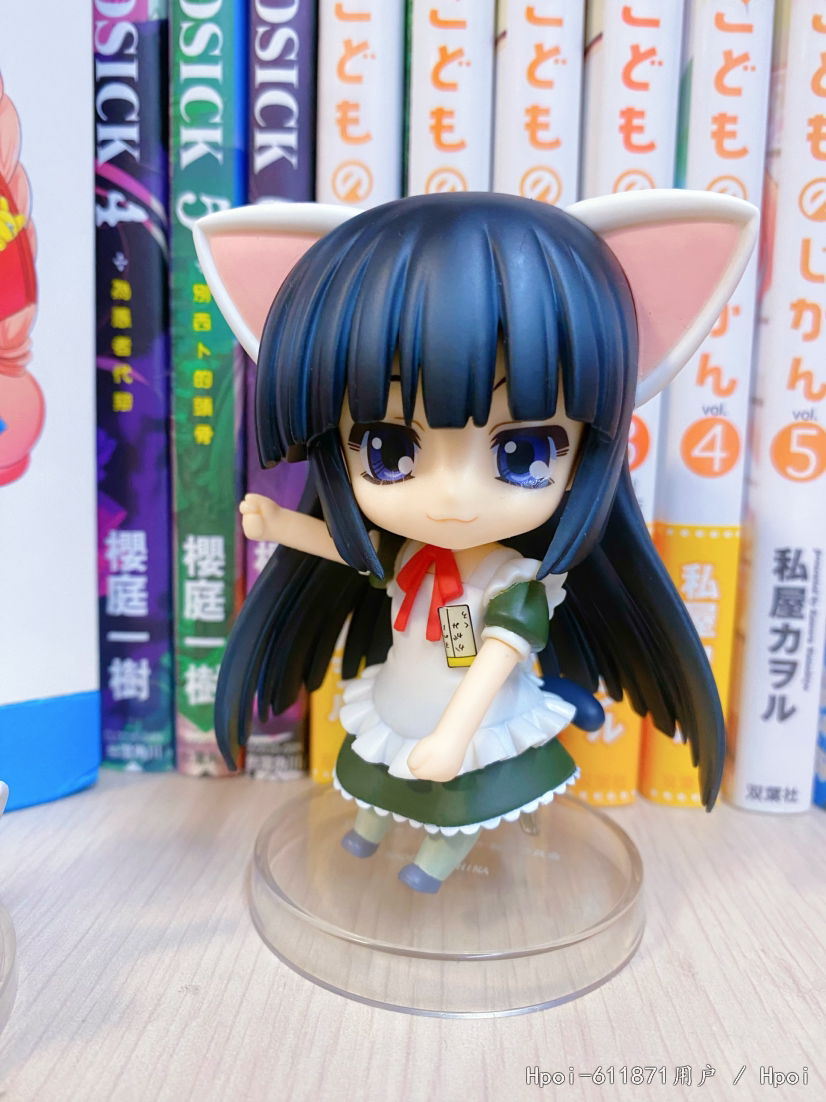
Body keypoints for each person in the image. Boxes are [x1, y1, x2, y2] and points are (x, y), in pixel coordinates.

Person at [193, 190, 757, 892]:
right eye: (389, 448)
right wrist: (280, 526)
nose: (453, 497)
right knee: (380, 769)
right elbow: (351, 552)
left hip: (474, 719)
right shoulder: (410, 559)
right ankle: (371, 826)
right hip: (405, 697)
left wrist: (455, 736)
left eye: (522, 451)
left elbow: (493, 662)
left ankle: (436, 862)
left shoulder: (513, 583)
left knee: (461, 798)